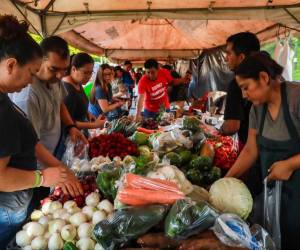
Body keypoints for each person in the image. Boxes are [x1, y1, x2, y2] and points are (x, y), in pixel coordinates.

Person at [0, 15, 82, 247]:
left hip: (15, 202)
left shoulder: (5, 98)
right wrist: (43, 176)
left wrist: (59, 166)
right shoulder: (6, 107)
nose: (31, 79)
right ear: (11, 65)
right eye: (31, 72)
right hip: (5, 210)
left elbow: (30, 141)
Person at [226, 52, 300, 250]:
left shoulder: (296, 98)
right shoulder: (257, 110)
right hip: (276, 199)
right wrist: (227, 179)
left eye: (246, 87)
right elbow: (251, 149)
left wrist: (290, 164)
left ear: (264, 78)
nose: (244, 95)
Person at [9, 36, 87, 197]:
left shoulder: (54, 80)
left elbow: (59, 104)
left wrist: (71, 126)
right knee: (40, 200)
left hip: (54, 154)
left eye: (64, 70)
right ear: (39, 60)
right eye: (53, 69)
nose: (60, 75)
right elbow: (32, 143)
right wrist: (61, 171)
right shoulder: (28, 94)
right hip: (37, 166)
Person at [220, 32, 260, 145]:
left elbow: (232, 126)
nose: (225, 58)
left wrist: (219, 130)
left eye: (229, 53)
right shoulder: (274, 77)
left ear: (241, 57)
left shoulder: (236, 84)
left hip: (252, 149)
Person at [62, 53, 105, 131]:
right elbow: (67, 122)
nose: (89, 77)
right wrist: (95, 125)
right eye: (85, 73)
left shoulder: (77, 83)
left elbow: (78, 105)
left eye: (91, 73)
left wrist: (87, 113)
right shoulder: (67, 89)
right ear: (73, 69)